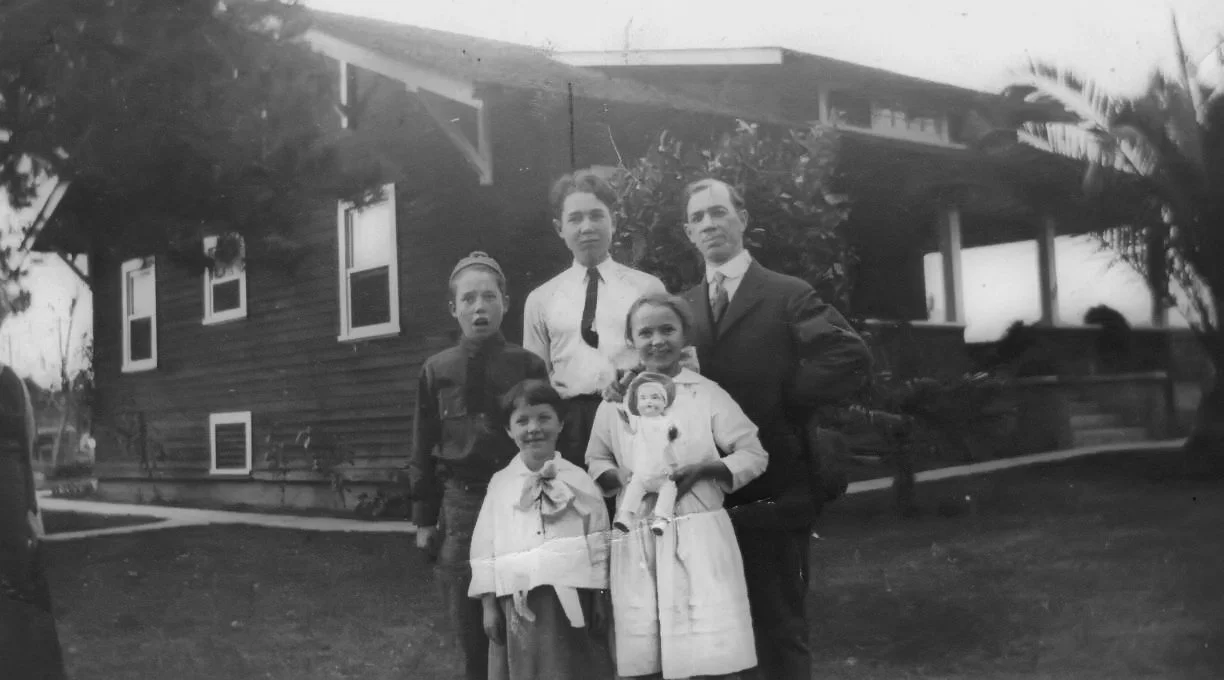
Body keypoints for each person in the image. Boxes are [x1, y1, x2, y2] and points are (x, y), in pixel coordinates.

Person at [677, 178, 873, 680]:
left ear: (742, 218)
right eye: (698, 218)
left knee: (780, 629)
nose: (709, 224)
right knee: (721, 637)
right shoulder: (682, 310)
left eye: (719, 212)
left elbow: (848, 355)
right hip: (708, 492)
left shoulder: (787, 294)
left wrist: (782, 397)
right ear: (688, 233)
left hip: (776, 483)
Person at [587, 293, 767, 680]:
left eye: (667, 329)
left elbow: (753, 452)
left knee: (708, 652)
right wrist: (622, 479)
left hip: (698, 533)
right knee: (647, 649)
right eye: (645, 332)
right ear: (631, 340)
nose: (657, 340)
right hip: (639, 533)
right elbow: (597, 458)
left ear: (685, 334)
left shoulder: (705, 392)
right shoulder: (618, 401)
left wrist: (706, 469)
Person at [409, 252, 548, 680]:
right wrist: (423, 518)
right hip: (463, 506)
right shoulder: (437, 370)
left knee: (527, 618)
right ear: (454, 308)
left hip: (520, 505)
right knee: (471, 623)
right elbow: (422, 445)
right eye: (468, 299)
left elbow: (546, 435)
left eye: (489, 296)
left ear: (505, 302)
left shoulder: (527, 365)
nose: (479, 307)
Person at [468, 379, 614, 680]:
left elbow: (599, 539)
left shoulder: (580, 481)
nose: (534, 428)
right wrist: (488, 604)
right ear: (509, 430)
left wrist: (600, 595)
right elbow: (484, 546)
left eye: (544, 418)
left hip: (573, 600)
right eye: (522, 421)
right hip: (520, 602)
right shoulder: (501, 484)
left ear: (560, 423)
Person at [523, 169, 666, 466]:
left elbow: (664, 361)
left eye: (596, 216)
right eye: (575, 218)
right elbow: (536, 378)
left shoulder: (646, 288)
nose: (587, 227)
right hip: (570, 424)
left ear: (612, 221)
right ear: (559, 228)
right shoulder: (541, 299)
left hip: (631, 412)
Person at [0, 359, 68, 680]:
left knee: (21, 586)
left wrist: (30, 506)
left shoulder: (11, 383)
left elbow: (25, 449)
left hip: (11, 496)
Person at [610, 372, 680, 536]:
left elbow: (671, 445)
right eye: (644, 398)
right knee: (633, 490)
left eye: (655, 398)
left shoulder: (667, 423)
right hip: (642, 473)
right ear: (637, 403)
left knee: (669, 491)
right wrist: (621, 407)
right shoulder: (638, 421)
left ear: (664, 403)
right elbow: (626, 422)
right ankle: (626, 516)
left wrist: (674, 465)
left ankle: (661, 519)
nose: (649, 402)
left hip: (663, 474)